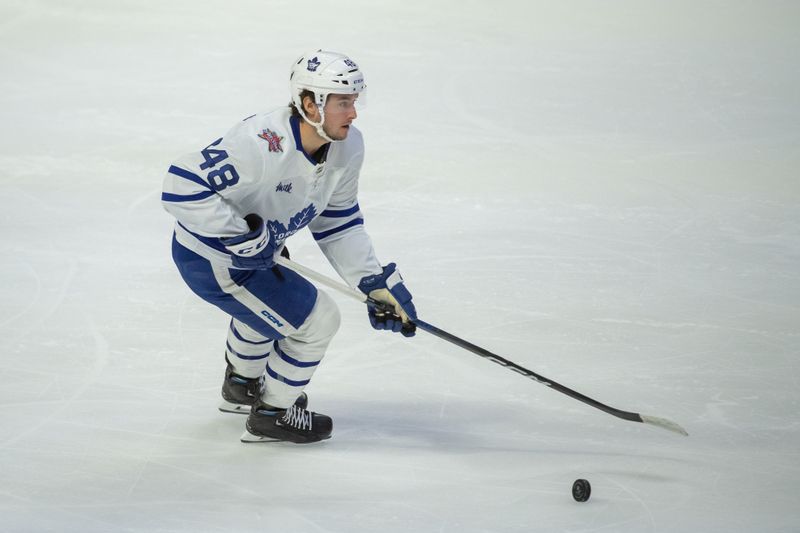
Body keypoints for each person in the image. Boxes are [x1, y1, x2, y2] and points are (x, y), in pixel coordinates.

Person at [161, 50, 416, 444]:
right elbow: (180, 186)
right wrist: (240, 236)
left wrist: (372, 280)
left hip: (255, 255)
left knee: (267, 309)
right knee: (318, 322)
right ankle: (272, 413)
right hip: (212, 259)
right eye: (343, 103)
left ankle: (242, 386)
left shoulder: (347, 148)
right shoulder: (261, 143)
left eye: (354, 102)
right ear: (310, 103)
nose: (353, 113)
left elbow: (338, 221)